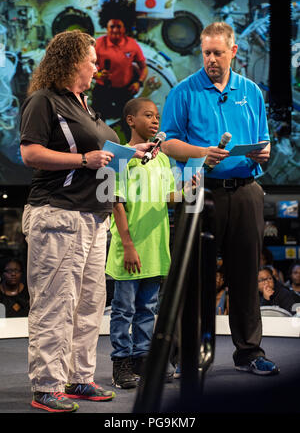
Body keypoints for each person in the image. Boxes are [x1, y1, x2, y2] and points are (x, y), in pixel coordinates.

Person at [19, 30, 155, 413]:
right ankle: (46, 386)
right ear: (71, 61)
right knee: (55, 304)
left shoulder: (85, 105)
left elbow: (103, 153)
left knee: (90, 305)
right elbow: (30, 153)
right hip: (58, 214)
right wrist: (84, 161)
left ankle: (78, 378)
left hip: (93, 220)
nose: (98, 66)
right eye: (92, 60)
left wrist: (132, 151)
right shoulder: (45, 101)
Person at [161, 21, 279, 376]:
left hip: (246, 192)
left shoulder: (251, 91)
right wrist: (202, 153)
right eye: (206, 52)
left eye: (217, 52)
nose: (211, 59)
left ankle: (249, 353)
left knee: (245, 275)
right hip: (200, 192)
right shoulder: (183, 91)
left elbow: (263, 138)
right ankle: (186, 355)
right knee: (194, 277)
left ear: (233, 52)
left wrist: (264, 152)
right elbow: (168, 142)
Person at [105, 97, 176, 389]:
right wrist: (128, 244)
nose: (155, 121)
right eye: (148, 115)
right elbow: (114, 201)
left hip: (156, 248)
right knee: (124, 309)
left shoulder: (162, 158)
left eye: (157, 116)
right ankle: (121, 361)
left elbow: (170, 195)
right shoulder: (120, 156)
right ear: (131, 120)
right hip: (129, 248)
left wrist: (190, 186)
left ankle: (142, 357)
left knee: (148, 308)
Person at [92, 0, 148, 142]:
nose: (115, 30)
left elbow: (144, 68)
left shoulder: (132, 45)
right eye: (112, 26)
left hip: (124, 91)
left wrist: (139, 83)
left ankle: (131, 152)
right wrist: (97, 74)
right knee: (96, 124)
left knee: (129, 124)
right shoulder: (98, 44)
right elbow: (87, 67)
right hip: (103, 90)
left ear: (125, 28)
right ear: (106, 27)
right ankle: (98, 150)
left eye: (119, 26)